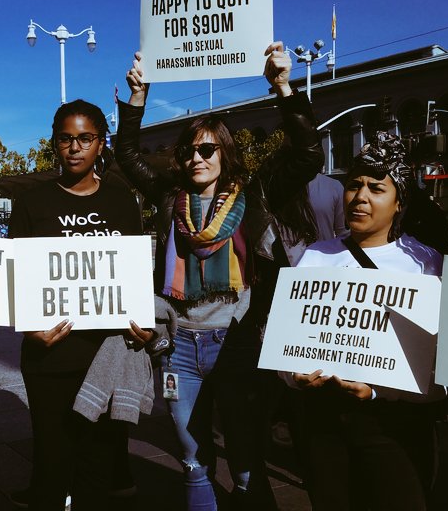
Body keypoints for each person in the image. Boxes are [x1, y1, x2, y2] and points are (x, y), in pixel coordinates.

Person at [116, 43, 322, 510]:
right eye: (188, 150)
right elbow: (126, 155)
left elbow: (308, 153)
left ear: (224, 152)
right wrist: (137, 96)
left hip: (238, 343)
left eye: (207, 148)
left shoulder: (256, 194)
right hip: (180, 346)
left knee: (247, 459)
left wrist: (283, 86)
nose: (196, 158)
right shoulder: (171, 197)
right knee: (193, 460)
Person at [283, 132, 444, 510]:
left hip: (393, 428)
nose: (361, 197)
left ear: (400, 200)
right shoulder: (315, 256)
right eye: (354, 185)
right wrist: (293, 375)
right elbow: (287, 346)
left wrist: (376, 391)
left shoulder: (424, 264)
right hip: (325, 424)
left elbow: (436, 371)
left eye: (377, 187)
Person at [9, 99, 152, 511]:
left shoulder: (122, 199)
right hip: (48, 351)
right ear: (54, 143)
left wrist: (141, 321)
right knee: (52, 458)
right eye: (66, 139)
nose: (75, 147)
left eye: (85, 139)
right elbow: (16, 274)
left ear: (101, 143)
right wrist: (27, 326)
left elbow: (133, 272)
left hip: (105, 353)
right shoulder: (32, 201)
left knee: (98, 462)